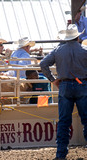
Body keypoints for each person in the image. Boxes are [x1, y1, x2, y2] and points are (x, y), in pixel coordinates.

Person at [40, 24, 87, 159]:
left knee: (64, 121)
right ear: (78, 36)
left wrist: (53, 80)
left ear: (66, 38)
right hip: (82, 84)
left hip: (65, 86)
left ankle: (61, 154)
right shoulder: (85, 50)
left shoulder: (58, 50)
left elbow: (43, 64)